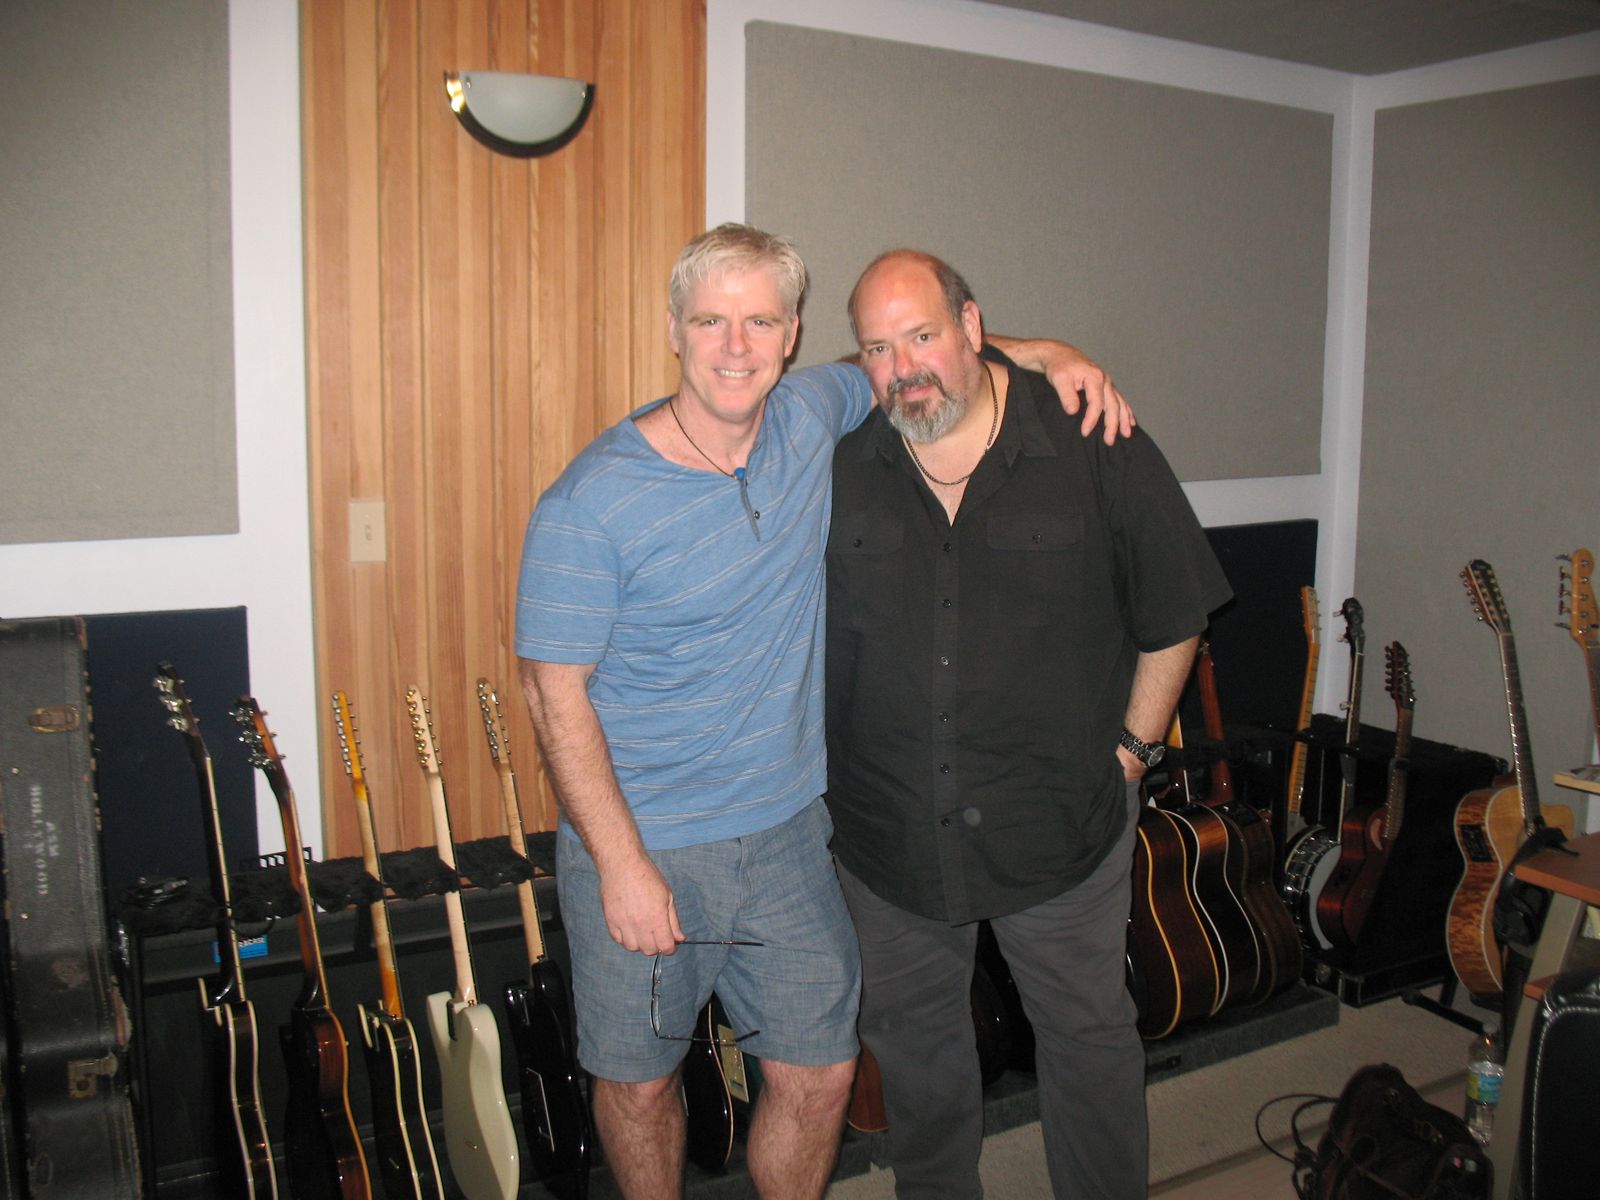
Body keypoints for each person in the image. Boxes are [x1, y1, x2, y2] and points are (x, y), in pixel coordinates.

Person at [515, 224, 1130, 1200]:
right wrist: (622, 866)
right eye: (710, 322)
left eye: (760, 321)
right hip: (645, 841)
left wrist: (1044, 353)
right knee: (639, 1085)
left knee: (821, 1075)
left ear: (792, 335)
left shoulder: (810, 413)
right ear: (672, 329)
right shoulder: (591, 502)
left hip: (790, 839)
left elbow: (910, 357)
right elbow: (553, 694)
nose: (735, 347)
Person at [824, 249, 1233, 1200]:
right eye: (879, 349)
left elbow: (1177, 608)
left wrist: (1133, 752)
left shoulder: (1090, 434)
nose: (904, 368)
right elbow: (752, 372)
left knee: (1086, 1037)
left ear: (973, 327)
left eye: (924, 336)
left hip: (1060, 818)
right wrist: (1039, 344)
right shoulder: (838, 450)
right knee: (917, 1053)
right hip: (888, 829)